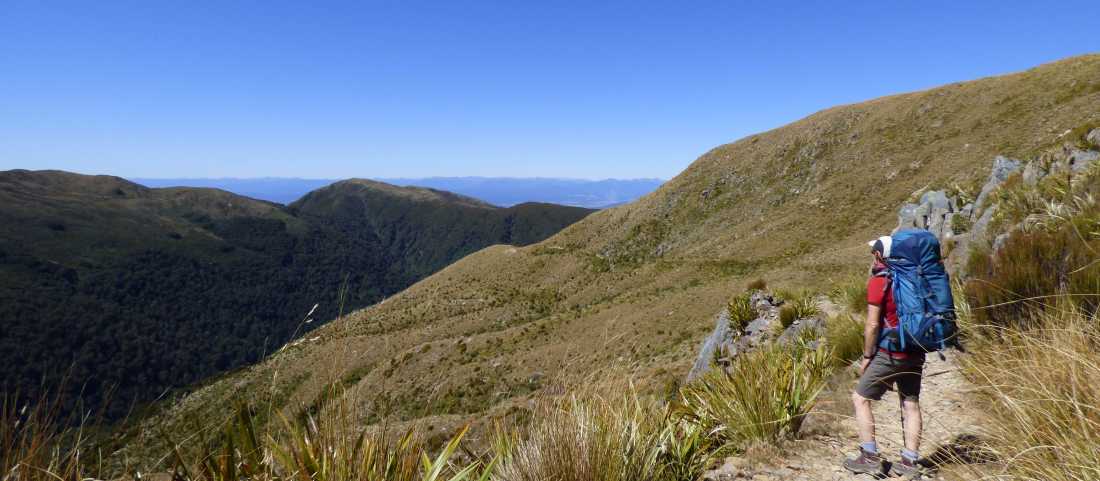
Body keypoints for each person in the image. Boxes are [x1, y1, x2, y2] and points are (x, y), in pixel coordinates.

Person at [843, 235, 924, 478]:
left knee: (860, 398)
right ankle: (909, 463)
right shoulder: (915, 277)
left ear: (880, 255)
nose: (872, 256)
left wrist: (867, 356)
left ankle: (869, 457)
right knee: (910, 404)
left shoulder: (880, 281)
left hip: (891, 352)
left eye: (874, 253)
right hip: (916, 350)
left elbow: (871, 326)